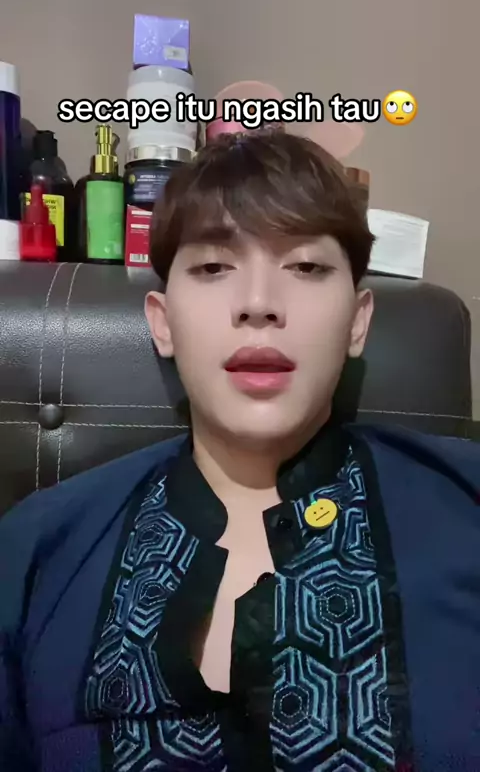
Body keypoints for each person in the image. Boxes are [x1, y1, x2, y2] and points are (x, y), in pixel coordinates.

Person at [0, 130, 479, 772]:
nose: (258, 305)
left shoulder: (465, 504)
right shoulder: (35, 553)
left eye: (306, 267)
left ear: (358, 320)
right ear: (162, 322)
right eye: (212, 268)